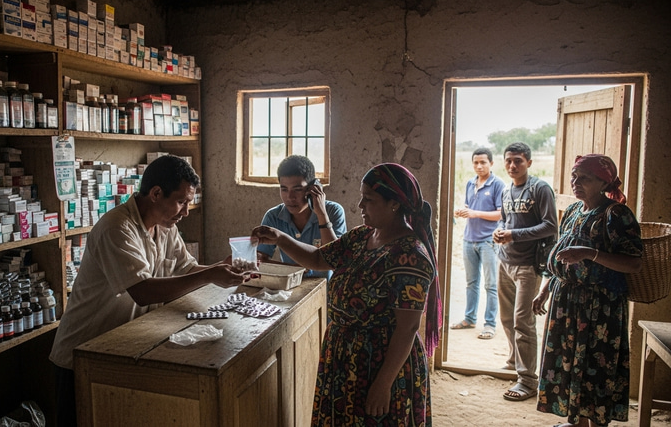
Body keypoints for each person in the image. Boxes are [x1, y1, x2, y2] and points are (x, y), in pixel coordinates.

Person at [49, 155, 245, 426]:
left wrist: (221, 267)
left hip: (124, 346)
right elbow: (142, 291)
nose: (186, 211)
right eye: (181, 201)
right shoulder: (117, 227)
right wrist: (211, 275)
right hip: (83, 354)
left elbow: (186, 269)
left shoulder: (165, 227)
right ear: (155, 193)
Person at [251, 163, 441, 426]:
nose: (360, 204)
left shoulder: (410, 256)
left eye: (369, 199)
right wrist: (280, 238)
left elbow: (407, 329)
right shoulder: (364, 236)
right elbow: (319, 258)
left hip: (380, 364)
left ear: (394, 204)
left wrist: (383, 385)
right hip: (345, 357)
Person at [532, 154, 642, 427]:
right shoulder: (572, 211)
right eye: (574, 176)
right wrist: (546, 289)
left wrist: (591, 253)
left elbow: (634, 263)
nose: (576, 182)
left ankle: (595, 422)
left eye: (585, 178)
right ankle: (577, 421)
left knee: (595, 366)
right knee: (569, 363)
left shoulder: (616, 214)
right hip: (566, 302)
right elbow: (563, 257)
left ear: (603, 182)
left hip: (599, 307)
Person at [492, 142, 558, 402]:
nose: (512, 165)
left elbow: (551, 226)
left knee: (523, 322)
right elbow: (505, 219)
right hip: (505, 261)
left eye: (518, 161)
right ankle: (515, 360)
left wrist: (513, 235)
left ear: (529, 163)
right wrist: (500, 230)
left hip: (528, 266)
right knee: (507, 319)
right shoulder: (507, 188)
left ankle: (528, 381)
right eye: (508, 160)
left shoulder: (539, 189)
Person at [257, 155, 346, 278]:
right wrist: (296, 270)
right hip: (289, 289)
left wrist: (321, 214)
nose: (290, 197)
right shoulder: (273, 216)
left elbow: (335, 260)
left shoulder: (333, 211)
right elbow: (260, 259)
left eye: (297, 189)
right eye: (284, 189)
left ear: (313, 188)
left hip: (324, 290)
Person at [451, 147, 506, 340]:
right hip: (469, 239)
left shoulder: (498, 184)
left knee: (491, 285)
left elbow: (501, 213)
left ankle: (490, 325)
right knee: (471, 283)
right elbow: (469, 207)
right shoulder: (470, 183)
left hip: (489, 241)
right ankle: (469, 318)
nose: (479, 166)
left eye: (483, 162)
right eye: (476, 162)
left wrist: (475, 213)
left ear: (491, 163)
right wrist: (463, 211)